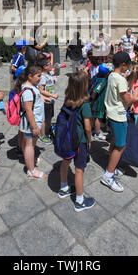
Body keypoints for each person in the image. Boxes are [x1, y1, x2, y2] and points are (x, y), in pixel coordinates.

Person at [100, 51, 138, 192]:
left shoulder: (112, 75)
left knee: (115, 141)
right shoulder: (121, 80)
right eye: (128, 65)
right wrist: (136, 95)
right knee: (120, 146)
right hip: (119, 115)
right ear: (123, 65)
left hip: (111, 114)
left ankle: (111, 166)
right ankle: (108, 175)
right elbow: (127, 100)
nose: (129, 67)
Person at [58, 71, 95, 212]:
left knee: (66, 161)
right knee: (79, 169)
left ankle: (63, 188)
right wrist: (89, 140)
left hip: (67, 138)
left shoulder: (67, 99)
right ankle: (80, 200)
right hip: (79, 140)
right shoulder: (84, 104)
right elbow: (87, 127)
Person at [19, 65, 46, 178]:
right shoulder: (28, 91)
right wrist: (34, 126)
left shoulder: (32, 87)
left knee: (32, 144)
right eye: (38, 76)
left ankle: (32, 160)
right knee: (29, 145)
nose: (40, 78)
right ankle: (31, 170)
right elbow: (29, 110)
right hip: (31, 123)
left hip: (35, 121)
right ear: (30, 76)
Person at [38, 59, 59, 145]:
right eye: (49, 64)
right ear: (45, 67)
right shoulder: (43, 77)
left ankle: (48, 130)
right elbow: (41, 90)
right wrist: (52, 95)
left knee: (49, 117)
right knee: (45, 119)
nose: (51, 65)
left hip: (50, 101)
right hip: (46, 101)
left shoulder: (48, 73)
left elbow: (54, 71)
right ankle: (43, 135)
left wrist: (56, 67)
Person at [91, 63, 110, 141]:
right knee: (98, 117)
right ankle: (97, 133)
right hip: (98, 102)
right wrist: (93, 99)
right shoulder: (103, 81)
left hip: (97, 101)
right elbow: (96, 91)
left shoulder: (98, 75)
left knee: (94, 116)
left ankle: (93, 127)